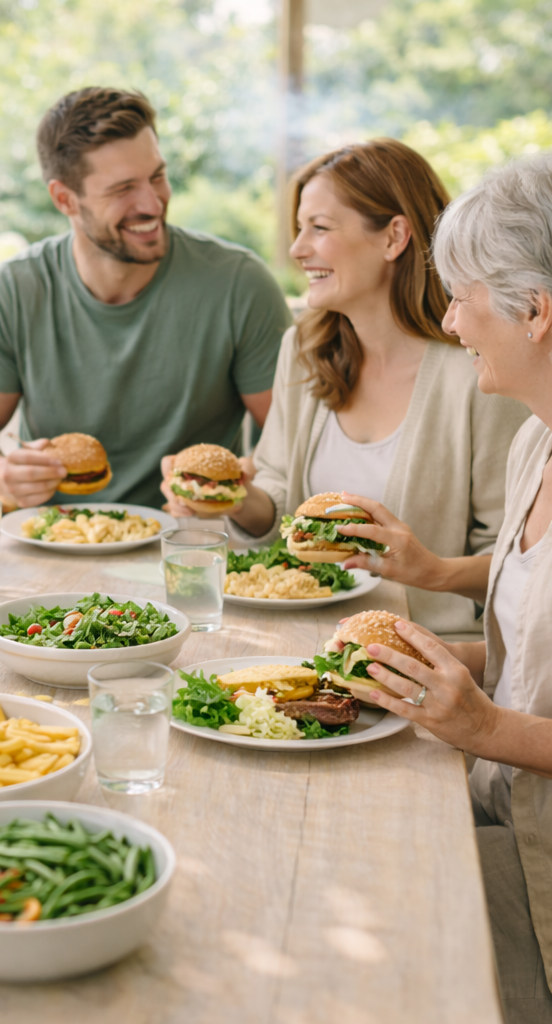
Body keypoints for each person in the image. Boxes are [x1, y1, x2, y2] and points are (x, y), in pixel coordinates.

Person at [163, 139, 528, 639]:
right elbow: (277, 496)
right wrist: (235, 499)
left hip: (426, 651)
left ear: (393, 236)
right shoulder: (303, 349)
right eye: (298, 228)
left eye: (319, 227)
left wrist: (429, 570)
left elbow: (517, 564)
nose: (297, 249)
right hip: (298, 634)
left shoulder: (478, 371)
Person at [362, 151, 552, 1024]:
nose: (448, 317)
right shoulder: (534, 444)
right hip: (495, 814)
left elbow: (512, 709)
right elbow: (526, 644)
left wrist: (481, 724)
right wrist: (414, 655)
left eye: (462, 294)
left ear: (536, 310)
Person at [0, 86, 291, 510]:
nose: (152, 202)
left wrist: (235, 486)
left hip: (190, 547)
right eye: (123, 189)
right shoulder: (15, 289)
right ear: (65, 199)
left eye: (157, 176)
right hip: (56, 538)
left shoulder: (239, 284)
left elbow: (294, 440)